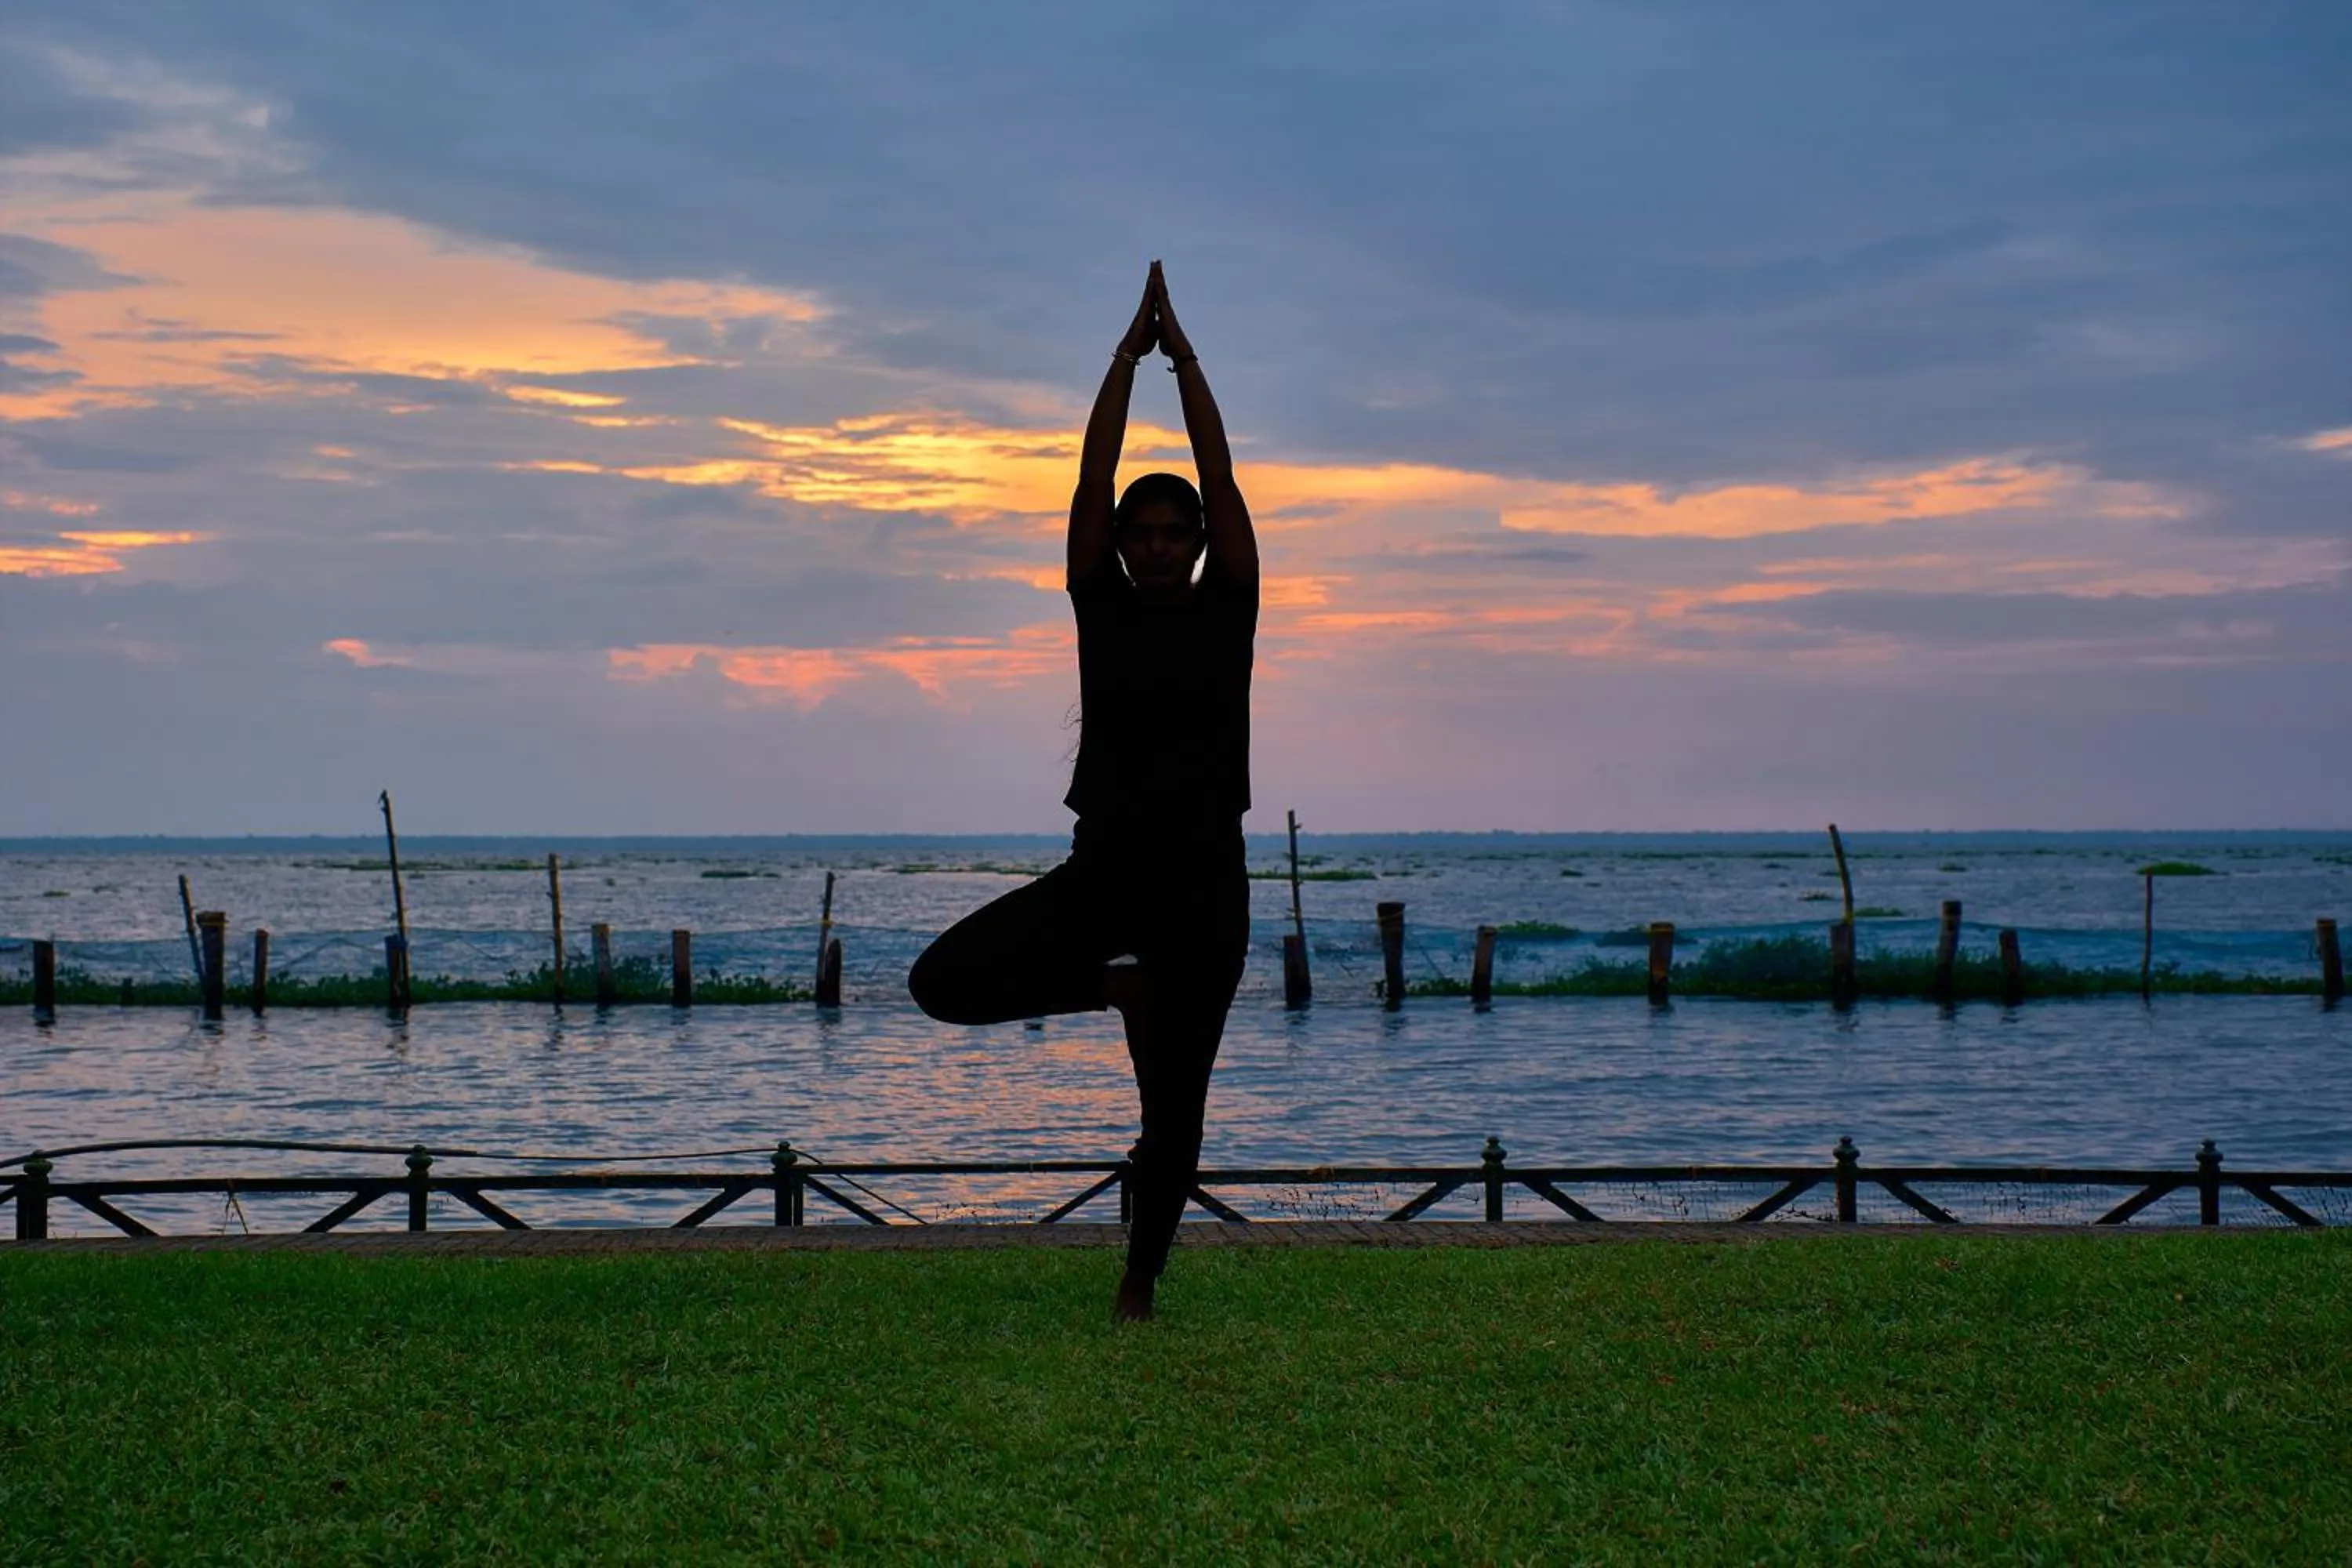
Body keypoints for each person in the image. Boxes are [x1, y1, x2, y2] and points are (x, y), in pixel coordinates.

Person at [907, 260, 1259, 1322]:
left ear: (1198, 545)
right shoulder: (1097, 604)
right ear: (1119, 545)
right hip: (1103, 872)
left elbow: (1223, 473)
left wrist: (1183, 358)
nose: (1153, 544)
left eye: (1173, 533)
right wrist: (1123, 357)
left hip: (1205, 885)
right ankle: (1119, 989)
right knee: (943, 981)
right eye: (1138, 533)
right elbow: (1089, 479)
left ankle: (1140, 1279)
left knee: (1177, 1112)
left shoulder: (1228, 605)